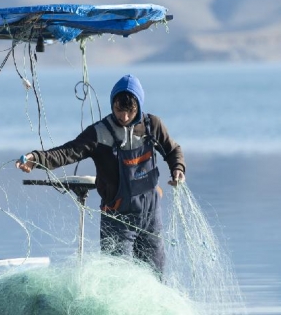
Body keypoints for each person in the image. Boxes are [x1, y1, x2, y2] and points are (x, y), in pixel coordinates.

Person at [16, 74, 185, 275]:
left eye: (130, 112)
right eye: (119, 111)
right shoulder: (99, 133)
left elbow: (173, 150)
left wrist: (178, 168)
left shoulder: (152, 125)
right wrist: (36, 158)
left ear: (138, 106)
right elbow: (66, 153)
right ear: (112, 104)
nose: (124, 117)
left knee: (155, 275)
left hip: (150, 217)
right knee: (116, 279)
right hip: (117, 220)